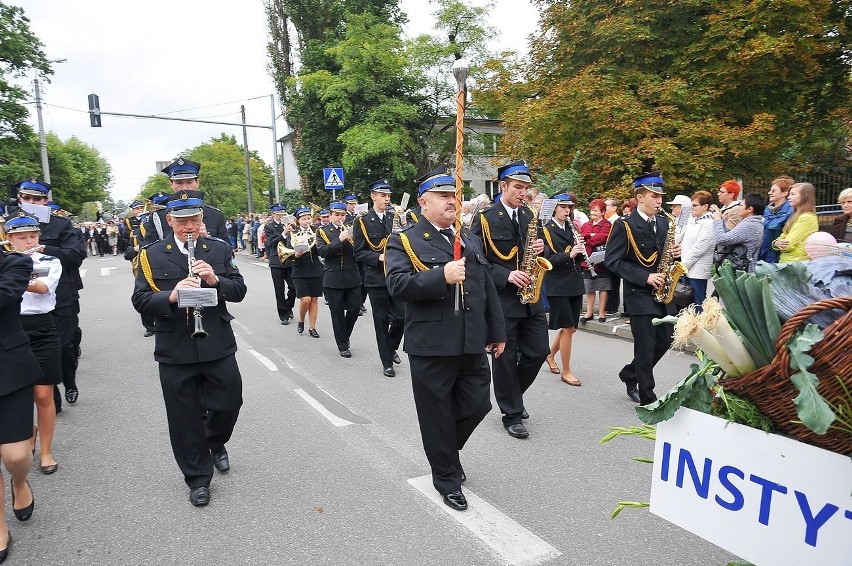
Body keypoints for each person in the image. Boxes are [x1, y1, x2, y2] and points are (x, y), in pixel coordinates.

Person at [385, 165, 506, 511]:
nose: (452, 201)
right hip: (432, 344)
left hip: (471, 341)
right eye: (443, 196)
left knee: (478, 404)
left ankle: (446, 452)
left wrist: (497, 331)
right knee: (436, 414)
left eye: (454, 195)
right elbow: (397, 287)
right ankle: (446, 476)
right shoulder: (404, 239)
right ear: (424, 202)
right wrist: (441, 276)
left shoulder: (467, 238)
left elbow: (487, 290)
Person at [131, 195, 247, 507]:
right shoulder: (151, 254)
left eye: (194, 220)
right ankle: (197, 478)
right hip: (175, 347)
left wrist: (215, 279)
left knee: (229, 402)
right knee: (183, 417)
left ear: (201, 220)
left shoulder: (219, 249)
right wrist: (172, 295)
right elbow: (140, 300)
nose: (189, 227)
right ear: (169, 221)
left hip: (216, 342)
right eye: (182, 221)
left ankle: (214, 442)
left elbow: (239, 291)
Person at [471, 160, 550, 439]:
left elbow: (541, 252)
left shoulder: (530, 215)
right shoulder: (485, 218)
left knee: (539, 351)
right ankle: (512, 413)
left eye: (526, 188)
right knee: (504, 360)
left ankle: (513, 395)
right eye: (518, 187)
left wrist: (543, 248)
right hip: (502, 300)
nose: (523, 193)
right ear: (502, 186)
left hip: (531, 298)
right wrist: (506, 275)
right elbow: (476, 263)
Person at [604, 172, 681, 406]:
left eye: (660, 196)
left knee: (665, 340)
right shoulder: (624, 225)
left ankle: (630, 373)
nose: (659, 201)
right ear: (640, 197)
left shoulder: (664, 222)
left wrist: (676, 255)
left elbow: (663, 256)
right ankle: (648, 396)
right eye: (654, 196)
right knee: (645, 347)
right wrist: (645, 277)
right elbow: (613, 261)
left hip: (663, 293)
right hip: (639, 294)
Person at [15, 180, 86, 410]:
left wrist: (45, 249)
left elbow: (75, 256)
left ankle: (70, 383)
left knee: (65, 345)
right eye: (27, 198)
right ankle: (50, 394)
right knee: (36, 347)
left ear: (46, 201)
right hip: (25, 300)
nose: (32, 203)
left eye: (37, 199)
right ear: (20, 199)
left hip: (62, 292)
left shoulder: (61, 225)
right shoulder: (11, 226)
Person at [4, 213, 63, 476]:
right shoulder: (5, 263)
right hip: (11, 330)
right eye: (21, 237)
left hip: (42, 328)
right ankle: (26, 434)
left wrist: (14, 277)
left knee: (43, 394)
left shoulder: (49, 261)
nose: (28, 242)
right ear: (9, 239)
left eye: (33, 236)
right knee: (20, 396)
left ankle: (47, 450)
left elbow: (41, 287)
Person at [0, 244, 44, 562]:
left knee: (15, 455)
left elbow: (5, 296)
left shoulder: (15, 262)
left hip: (9, 367)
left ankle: (19, 480)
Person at [353, 179, 404, 377]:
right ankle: (386, 363)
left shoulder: (394, 217)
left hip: (396, 275)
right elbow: (358, 252)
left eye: (388, 196)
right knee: (381, 320)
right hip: (376, 277)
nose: (387, 199)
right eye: (383, 195)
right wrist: (378, 257)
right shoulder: (363, 220)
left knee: (402, 316)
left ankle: (391, 347)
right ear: (373, 196)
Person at [541, 193, 587, 386]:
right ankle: (566, 371)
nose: (567, 211)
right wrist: (570, 254)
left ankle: (550, 355)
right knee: (567, 327)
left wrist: (582, 254)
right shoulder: (545, 230)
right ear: (554, 208)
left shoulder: (572, 227)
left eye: (569, 208)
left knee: (572, 328)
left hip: (575, 282)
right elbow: (547, 260)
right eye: (563, 207)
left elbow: (577, 257)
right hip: (557, 284)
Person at [140, 158, 228, 246]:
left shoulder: (215, 215)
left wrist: (207, 238)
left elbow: (228, 253)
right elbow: (149, 253)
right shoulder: (158, 217)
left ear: (197, 182)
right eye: (179, 183)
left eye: (189, 182)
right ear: (171, 184)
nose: (184, 187)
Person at [316, 202, 362, 358]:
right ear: (330, 216)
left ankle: (344, 335)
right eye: (336, 215)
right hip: (333, 278)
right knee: (337, 314)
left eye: (342, 215)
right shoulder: (322, 231)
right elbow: (322, 252)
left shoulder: (352, 229)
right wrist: (340, 240)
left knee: (355, 308)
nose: (340, 218)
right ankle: (342, 345)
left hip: (352, 276)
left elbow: (360, 250)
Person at [287, 207, 322, 337]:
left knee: (314, 299)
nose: (307, 221)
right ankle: (301, 320)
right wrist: (295, 254)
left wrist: (317, 241)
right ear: (298, 221)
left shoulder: (316, 231)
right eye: (304, 219)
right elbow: (287, 251)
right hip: (300, 269)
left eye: (308, 218)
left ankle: (312, 327)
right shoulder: (294, 232)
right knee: (305, 299)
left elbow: (321, 251)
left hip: (315, 268)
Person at [711, 193, 766, 272]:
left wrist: (717, 220)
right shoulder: (753, 223)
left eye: (741, 205)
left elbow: (722, 239)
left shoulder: (749, 225)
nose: (738, 208)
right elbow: (731, 236)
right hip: (743, 268)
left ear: (750, 209)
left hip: (741, 270)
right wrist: (721, 219)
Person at [680, 190, 716, 309]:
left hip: (698, 271)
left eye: (695, 205)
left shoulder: (709, 224)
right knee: (686, 302)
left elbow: (699, 248)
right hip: (687, 269)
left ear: (705, 206)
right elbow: (687, 243)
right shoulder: (694, 221)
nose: (692, 208)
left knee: (698, 302)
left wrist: (682, 265)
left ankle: (701, 326)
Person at [579, 198, 612, 322]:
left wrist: (589, 238)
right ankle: (589, 312)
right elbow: (581, 236)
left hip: (601, 260)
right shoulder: (586, 225)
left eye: (596, 211)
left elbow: (602, 238)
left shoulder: (607, 224)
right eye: (592, 210)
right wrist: (589, 236)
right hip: (587, 259)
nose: (593, 213)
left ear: (603, 212)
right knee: (590, 287)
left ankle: (602, 313)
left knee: (603, 287)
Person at [264, 204, 296, 325]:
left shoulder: (290, 224)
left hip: (289, 260)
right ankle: (283, 315)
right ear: (274, 214)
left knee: (294, 287)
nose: (282, 216)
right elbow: (271, 243)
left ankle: (288, 306)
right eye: (279, 214)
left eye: (283, 213)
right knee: (279, 289)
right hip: (276, 261)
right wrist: (283, 233)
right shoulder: (269, 227)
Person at [772, 182, 818, 262]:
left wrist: (777, 243)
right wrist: (775, 243)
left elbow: (787, 245)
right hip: (788, 262)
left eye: (793, 194)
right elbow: (783, 235)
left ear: (804, 197)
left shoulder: (807, 218)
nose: (788, 197)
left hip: (797, 264)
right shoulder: (795, 215)